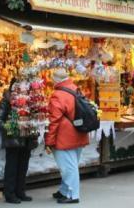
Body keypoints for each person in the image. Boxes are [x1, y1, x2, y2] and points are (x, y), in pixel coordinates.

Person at [45, 68, 89, 204]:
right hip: (79, 132)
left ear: (56, 80)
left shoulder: (58, 95)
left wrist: (49, 141)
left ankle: (73, 195)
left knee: (68, 167)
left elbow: (54, 121)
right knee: (72, 164)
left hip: (65, 136)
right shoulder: (75, 89)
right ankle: (64, 190)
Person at [0, 80, 38, 203]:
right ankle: (10, 193)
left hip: (27, 138)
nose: (24, 89)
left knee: (23, 166)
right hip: (13, 139)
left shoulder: (30, 101)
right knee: (12, 167)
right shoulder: (6, 101)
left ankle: (20, 191)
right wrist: (10, 129)